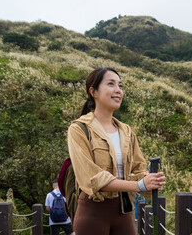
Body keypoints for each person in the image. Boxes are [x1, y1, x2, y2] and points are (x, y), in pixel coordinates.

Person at [67, 67, 166, 235]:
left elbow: (138, 169)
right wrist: (139, 185)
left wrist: (150, 181)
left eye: (120, 85)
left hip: (123, 211)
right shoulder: (79, 129)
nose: (118, 90)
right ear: (93, 91)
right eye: (111, 84)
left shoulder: (127, 132)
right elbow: (92, 178)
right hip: (93, 213)